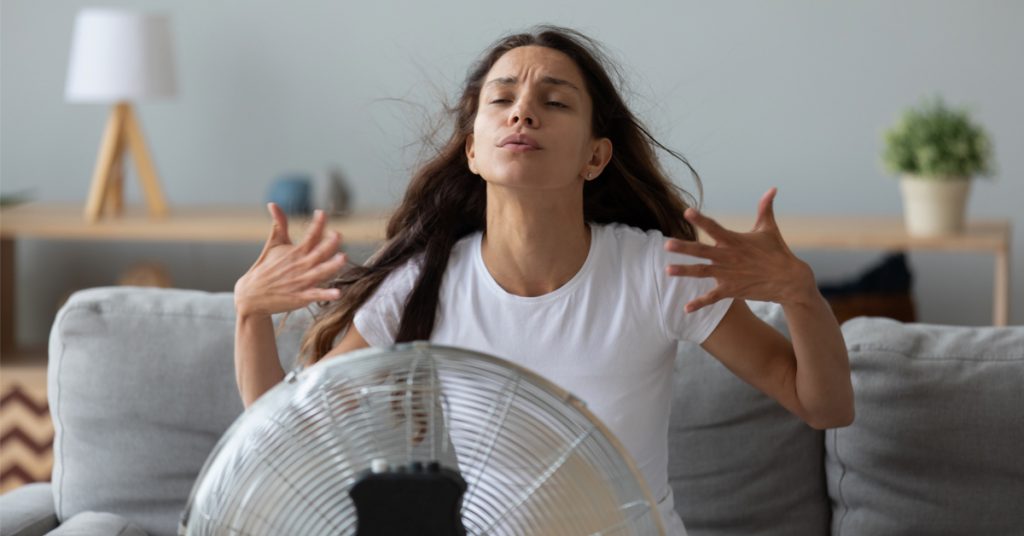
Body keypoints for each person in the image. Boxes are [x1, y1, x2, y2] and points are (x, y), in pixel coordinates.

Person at [233, 25, 854, 535]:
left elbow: (824, 405)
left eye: (554, 102)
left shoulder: (657, 271)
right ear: (473, 149)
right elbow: (281, 433)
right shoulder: (423, 284)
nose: (523, 111)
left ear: (595, 156)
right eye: (501, 100)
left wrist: (800, 294)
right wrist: (248, 313)